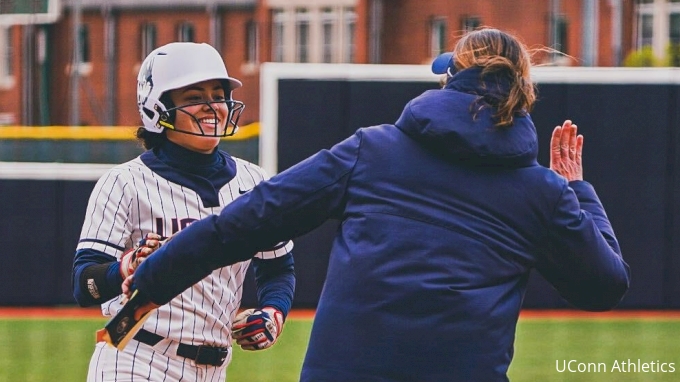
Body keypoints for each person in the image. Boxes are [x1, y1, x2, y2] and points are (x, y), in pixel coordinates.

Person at [128, 28, 630, 381]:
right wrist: (577, 189)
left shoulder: (372, 149)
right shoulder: (542, 192)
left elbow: (245, 221)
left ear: (448, 80)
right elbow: (605, 285)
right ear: (522, 93)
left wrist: (153, 281)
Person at [71, 42, 295, 382]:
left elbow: (278, 267)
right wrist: (126, 267)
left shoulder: (255, 181)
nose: (212, 106)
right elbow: (84, 284)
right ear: (156, 108)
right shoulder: (124, 183)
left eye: (218, 95)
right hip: (135, 357)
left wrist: (273, 312)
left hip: (214, 367)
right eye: (194, 97)